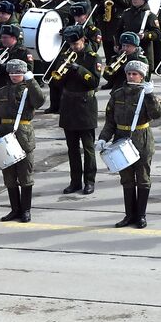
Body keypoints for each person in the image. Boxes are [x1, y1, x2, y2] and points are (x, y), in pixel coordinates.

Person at [96, 59, 161, 228]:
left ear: (142, 77)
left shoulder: (146, 93)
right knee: (126, 179)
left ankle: (141, 215)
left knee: (142, 179)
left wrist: (149, 95)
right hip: (121, 137)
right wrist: (103, 138)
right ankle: (129, 215)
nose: (131, 76)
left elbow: (157, 114)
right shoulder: (118, 94)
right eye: (129, 73)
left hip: (142, 139)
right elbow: (110, 121)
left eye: (135, 74)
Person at [0, 59, 46, 223]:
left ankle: (26, 210)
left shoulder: (29, 90)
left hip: (23, 134)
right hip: (4, 133)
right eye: (13, 73)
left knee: (25, 174)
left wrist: (32, 81)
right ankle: (15, 209)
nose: (15, 76)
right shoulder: (2, 92)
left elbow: (40, 101)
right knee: (9, 175)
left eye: (19, 73)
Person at [55, 26, 100, 195]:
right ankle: (75, 182)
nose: (73, 47)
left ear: (83, 40)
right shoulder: (66, 55)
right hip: (68, 105)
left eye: (76, 43)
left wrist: (78, 69)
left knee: (88, 148)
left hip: (85, 105)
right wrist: (64, 71)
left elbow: (94, 82)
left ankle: (89, 181)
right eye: (71, 44)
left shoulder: (92, 57)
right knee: (72, 148)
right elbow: (57, 82)